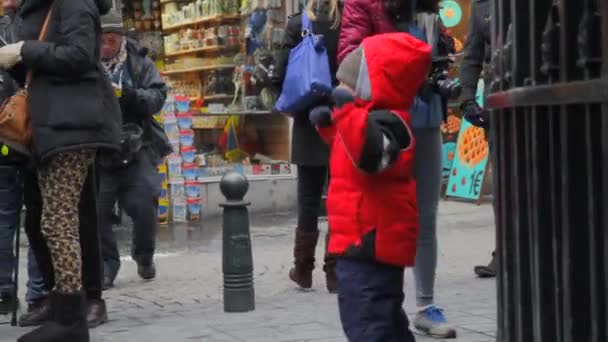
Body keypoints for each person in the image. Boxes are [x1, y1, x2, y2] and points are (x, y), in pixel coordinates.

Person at [0, 0, 120, 341]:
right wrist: (16, 60)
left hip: (75, 126)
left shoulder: (74, 2)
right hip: (54, 125)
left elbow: (80, 56)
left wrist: (25, 49)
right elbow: (46, 70)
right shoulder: (41, 7)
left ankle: (72, 318)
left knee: (59, 220)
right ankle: (66, 310)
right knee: (49, 220)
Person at [337, 0, 457, 338]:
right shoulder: (363, 3)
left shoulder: (428, 6)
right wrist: (401, 65)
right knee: (384, 211)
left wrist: (439, 53)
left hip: (427, 113)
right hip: (383, 118)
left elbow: (435, 49)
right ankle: (383, 299)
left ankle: (425, 304)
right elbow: (349, 55)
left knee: (425, 213)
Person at [311, 32, 431, 342]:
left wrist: (347, 113)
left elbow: (370, 157)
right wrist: (329, 126)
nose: (342, 89)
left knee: (367, 321)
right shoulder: (370, 119)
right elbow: (349, 153)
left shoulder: (390, 121)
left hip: (370, 243)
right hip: (363, 239)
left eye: (350, 84)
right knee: (383, 318)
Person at [97, 9, 169, 289]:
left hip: (136, 144)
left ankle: (144, 256)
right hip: (100, 148)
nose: (106, 44)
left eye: (112, 38)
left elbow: (158, 94)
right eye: (102, 38)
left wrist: (134, 97)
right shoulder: (87, 62)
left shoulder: (138, 62)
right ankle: (107, 265)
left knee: (145, 203)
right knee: (97, 211)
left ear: (121, 38)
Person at [276, 0, 341, 293]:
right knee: (340, 198)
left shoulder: (297, 25)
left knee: (308, 199)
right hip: (342, 117)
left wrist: (290, 105)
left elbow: (280, 75)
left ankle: (302, 269)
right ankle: (335, 271)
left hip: (306, 121)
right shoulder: (347, 22)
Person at [459, 0, 495, 278]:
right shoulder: (482, 7)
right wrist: (467, 98)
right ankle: (505, 250)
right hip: (498, 103)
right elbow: (472, 57)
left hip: (542, 100)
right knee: (506, 182)